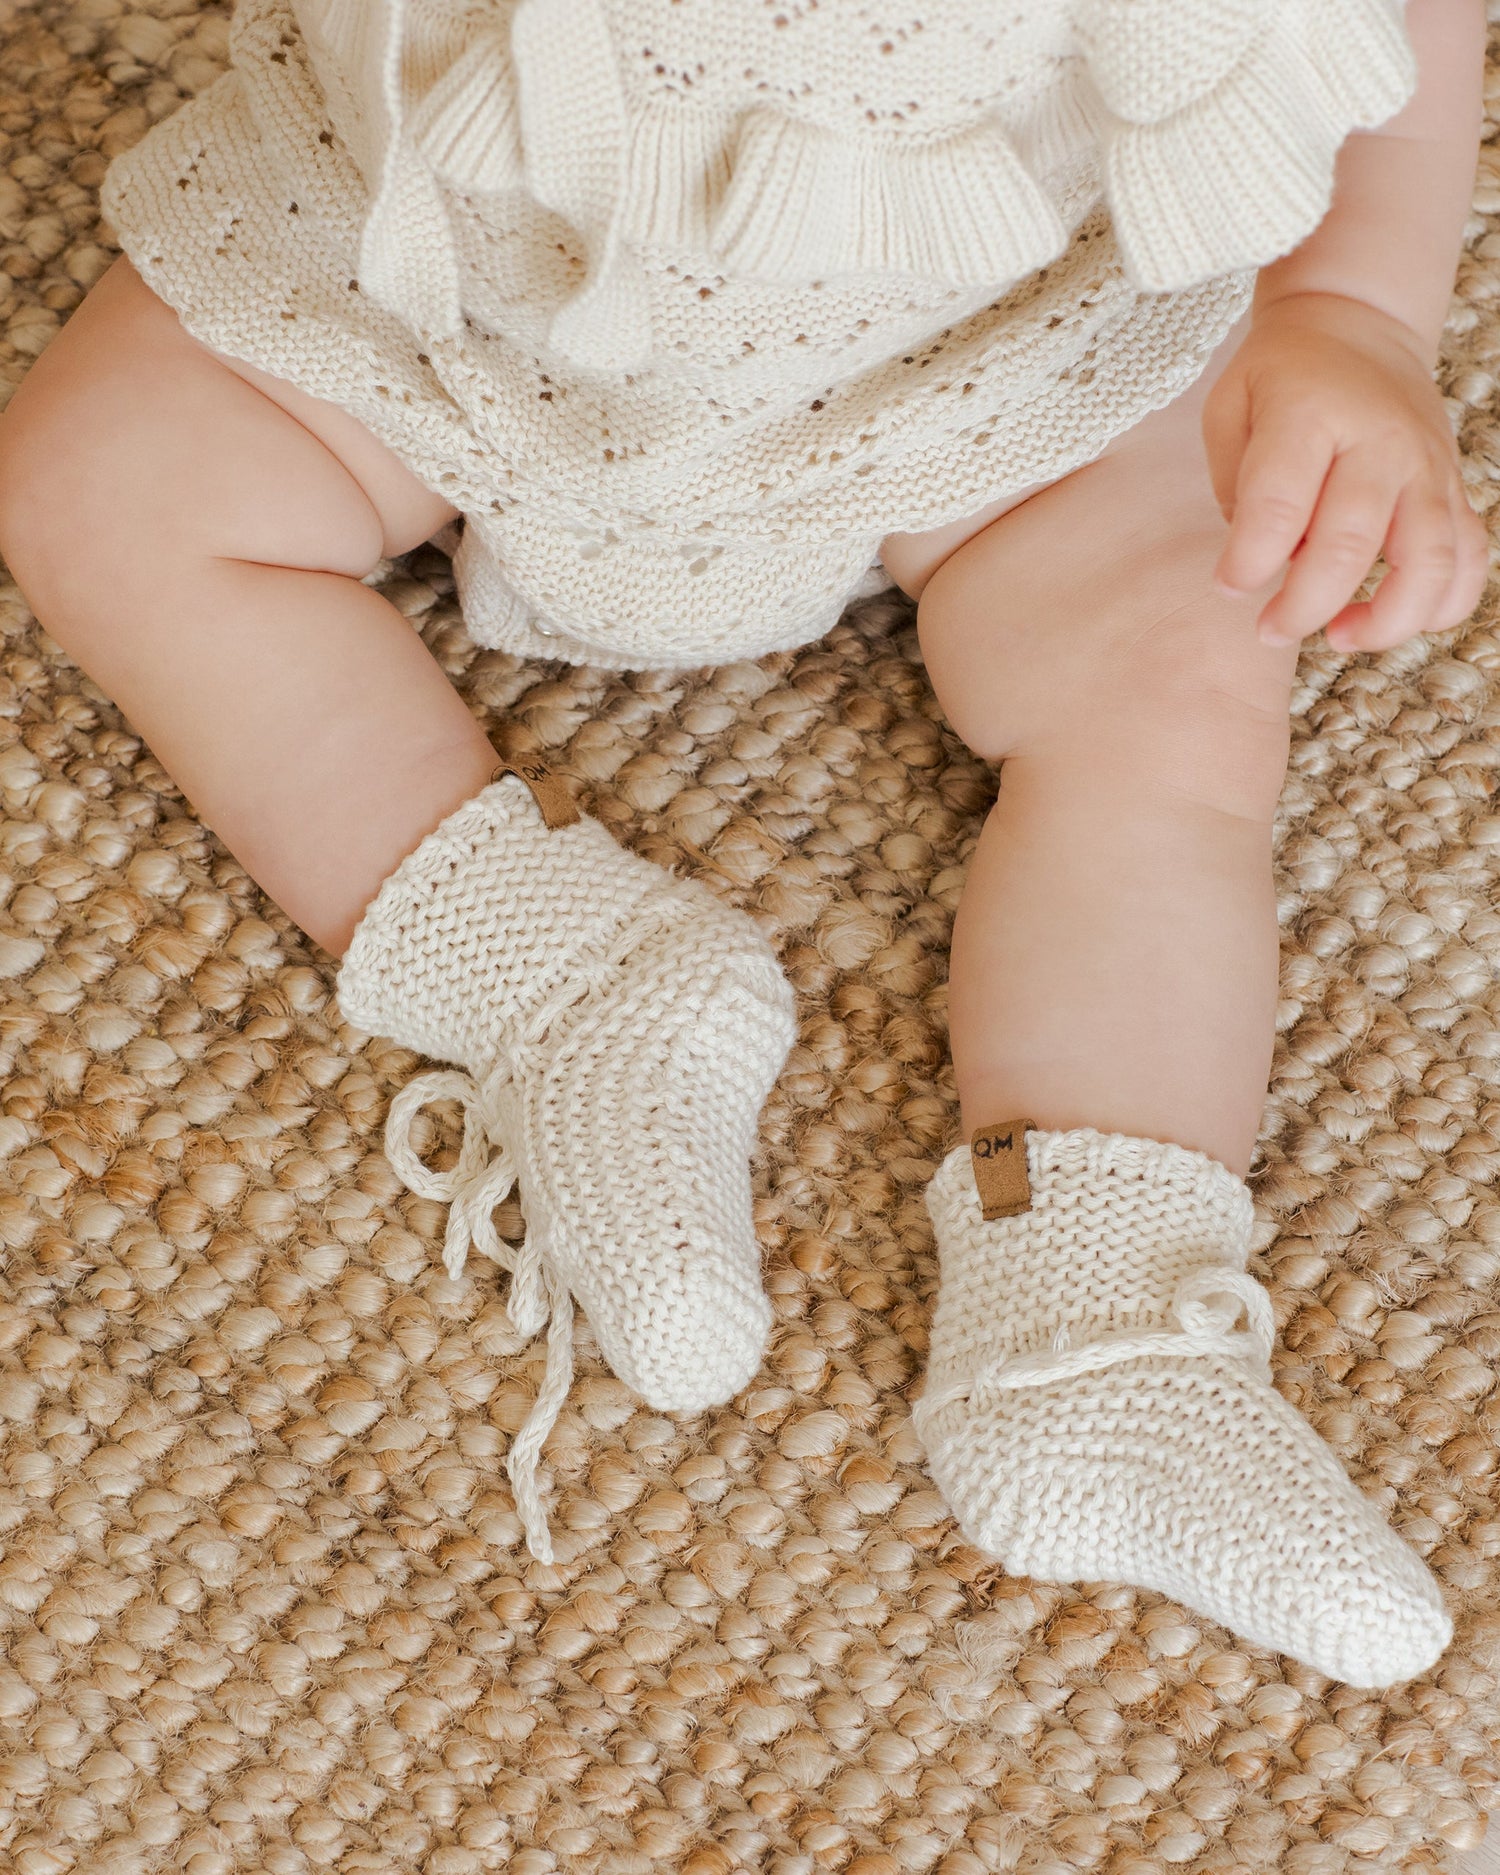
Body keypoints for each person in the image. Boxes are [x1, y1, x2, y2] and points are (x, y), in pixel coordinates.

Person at [0, 0, 1483, 1684]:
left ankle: (1102, 1314)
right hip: (458, 280)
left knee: (1176, 677)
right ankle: (560, 973)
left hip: (1000, 347)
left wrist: (1358, 313)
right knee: (103, 483)